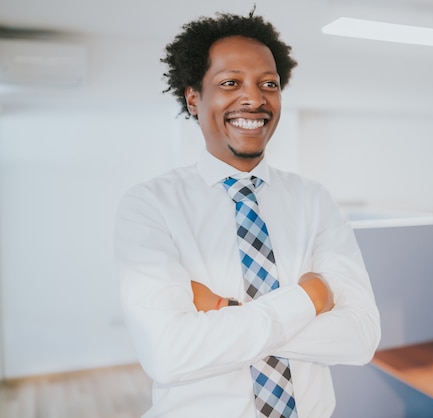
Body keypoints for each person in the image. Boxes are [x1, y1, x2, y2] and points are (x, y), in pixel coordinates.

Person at [114, 9, 381, 418]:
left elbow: (360, 338)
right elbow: (167, 353)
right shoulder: (149, 206)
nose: (254, 98)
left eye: (268, 84)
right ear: (193, 99)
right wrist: (310, 297)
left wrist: (224, 312)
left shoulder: (315, 201)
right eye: (230, 83)